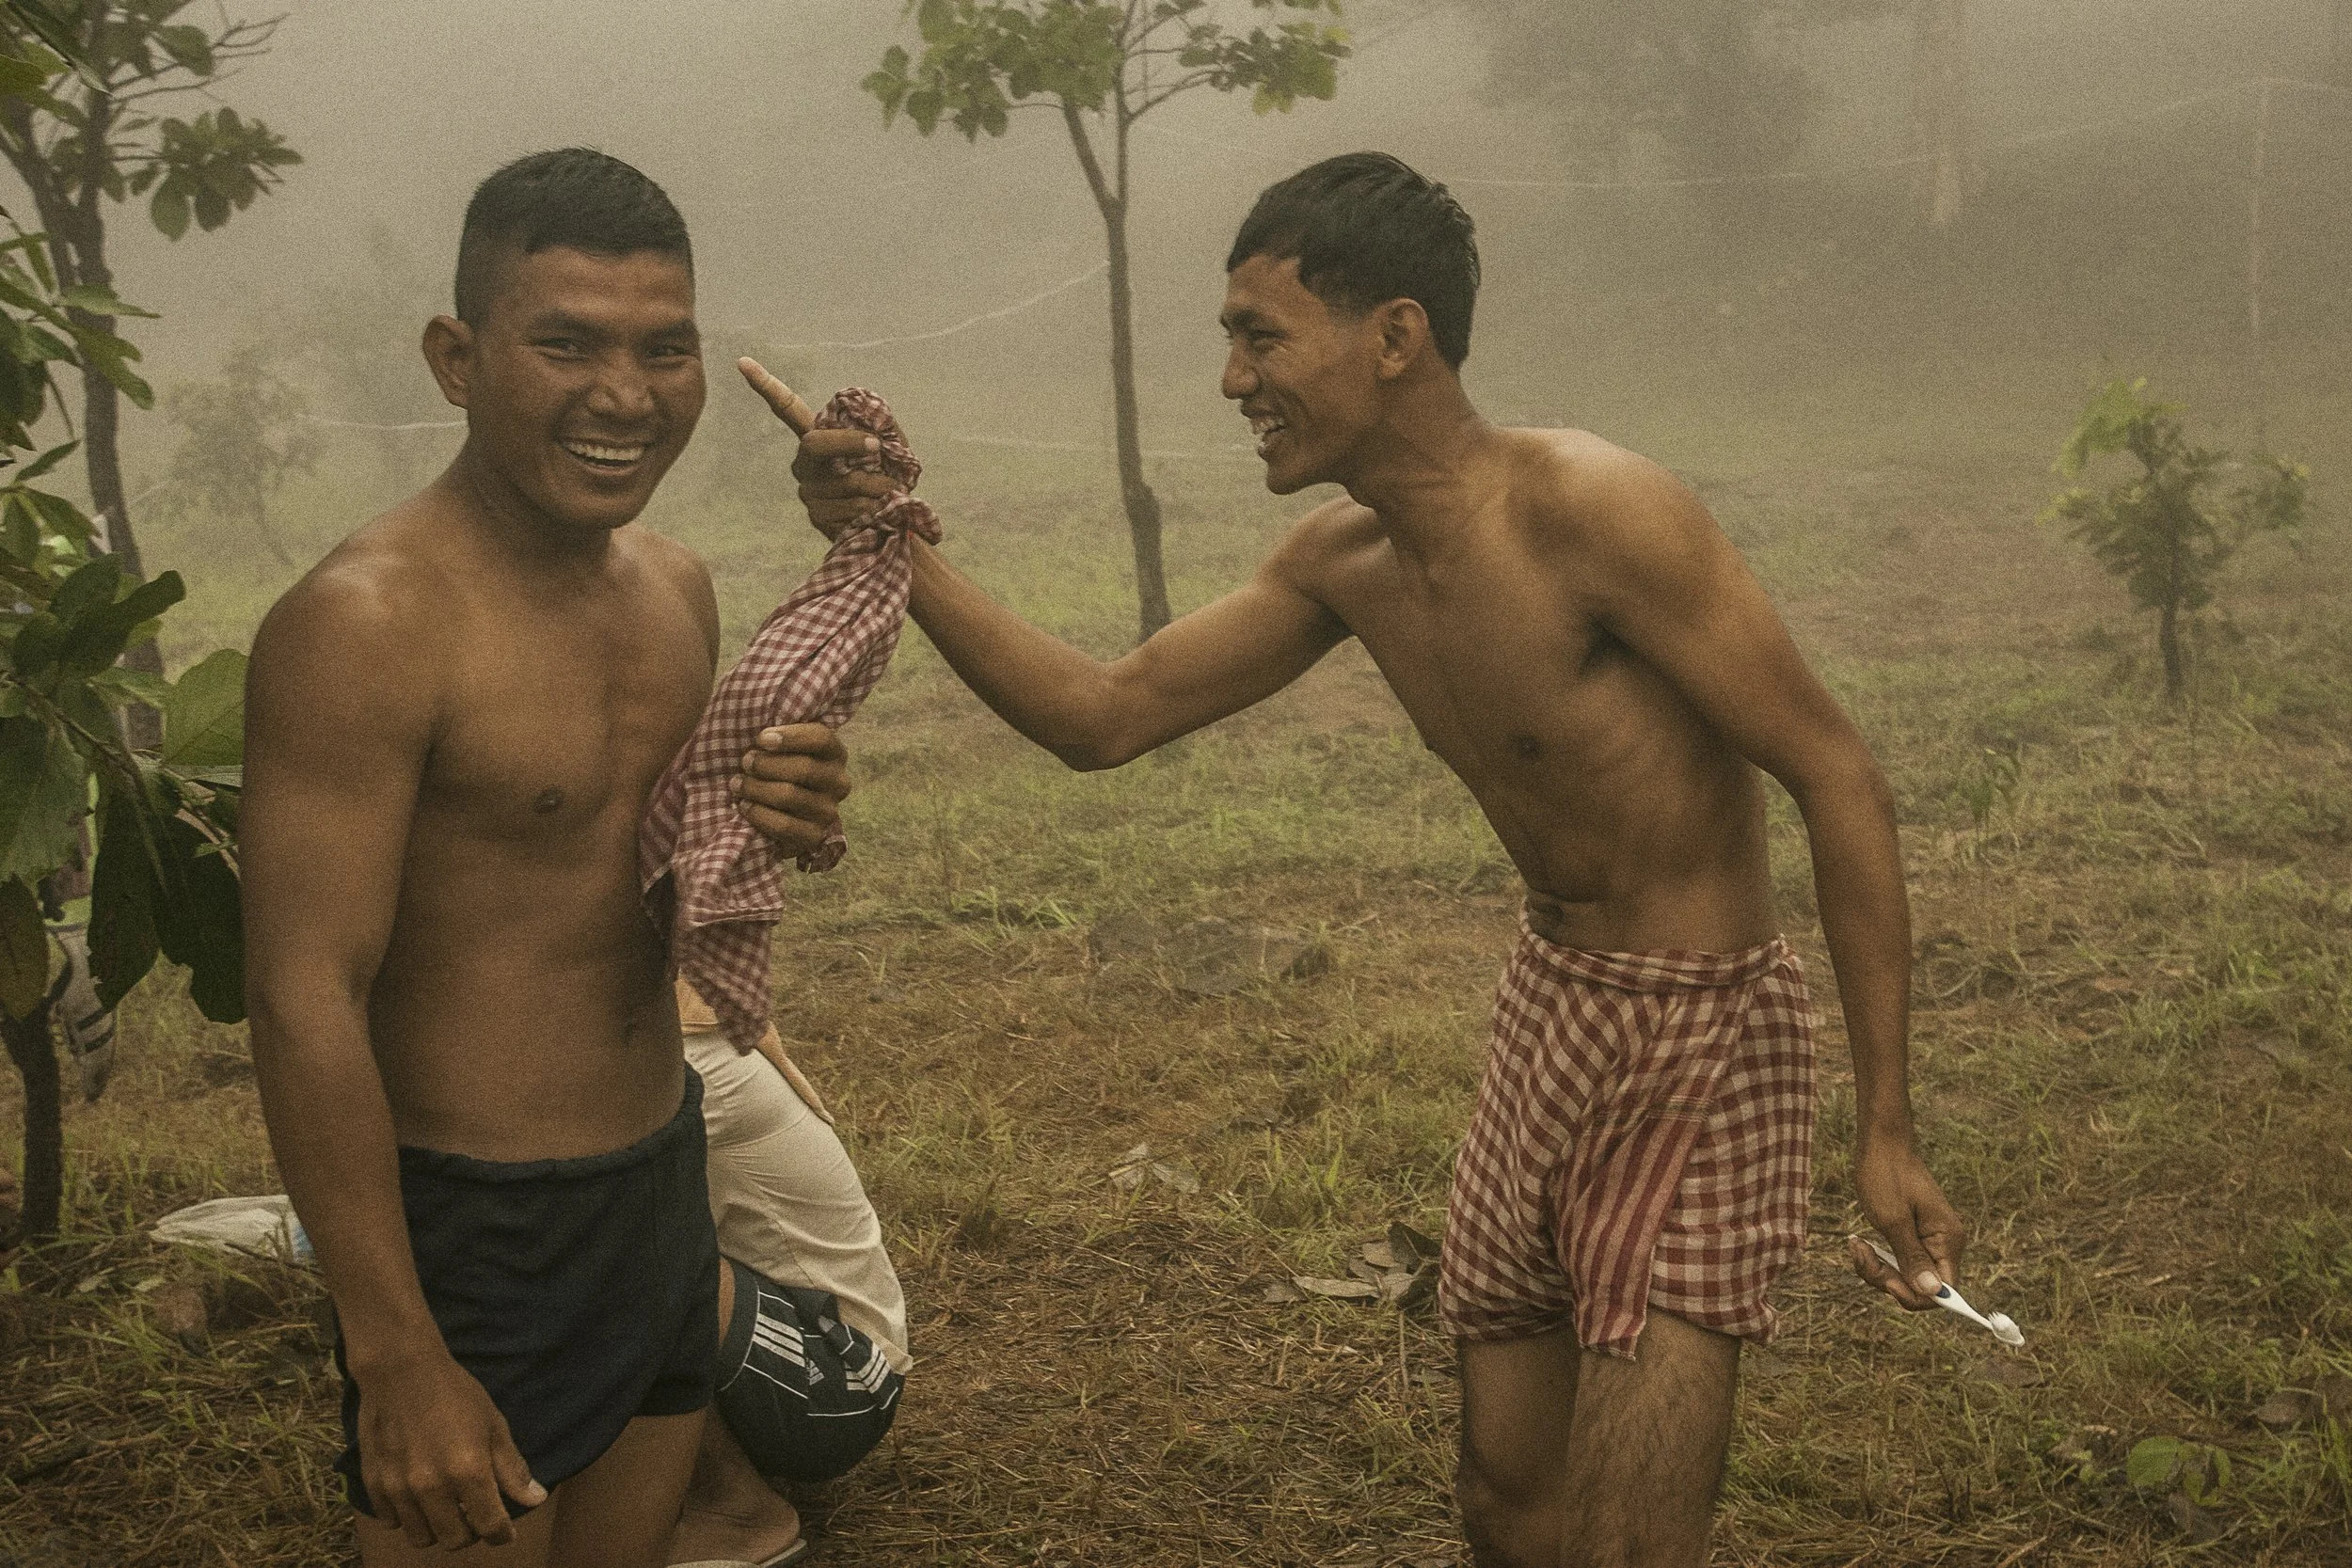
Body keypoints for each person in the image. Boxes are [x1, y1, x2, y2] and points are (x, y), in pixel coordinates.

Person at [755, 151, 1969, 1567]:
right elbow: (1101, 716)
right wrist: (889, 533)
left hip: (1702, 1035)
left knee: (1630, 1539)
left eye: (1259, 336)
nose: (1229, 380)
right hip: (1548, 1008)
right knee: (1503, 1498)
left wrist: (1885, 1119)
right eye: (1228, 339)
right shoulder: (1347, 563)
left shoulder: (1594, 509)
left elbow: (1838, 774)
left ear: (1394, 336)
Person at [243, 148, 852, 1567]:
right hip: (476, 1223)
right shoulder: (367, 621)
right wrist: (395, 1350)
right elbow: (302, 995)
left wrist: (781, 814)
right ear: (459, 357)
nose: (625, 395)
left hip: (655, 1181)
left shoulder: (675, 588)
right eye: (565, 342)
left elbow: (646, 877)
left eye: (665, 348)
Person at [665, 981, 908, 1568]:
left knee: (586, 1240)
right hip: (777, 1353)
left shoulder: (680, 1063)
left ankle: (733, 1512)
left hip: (840, 1380)